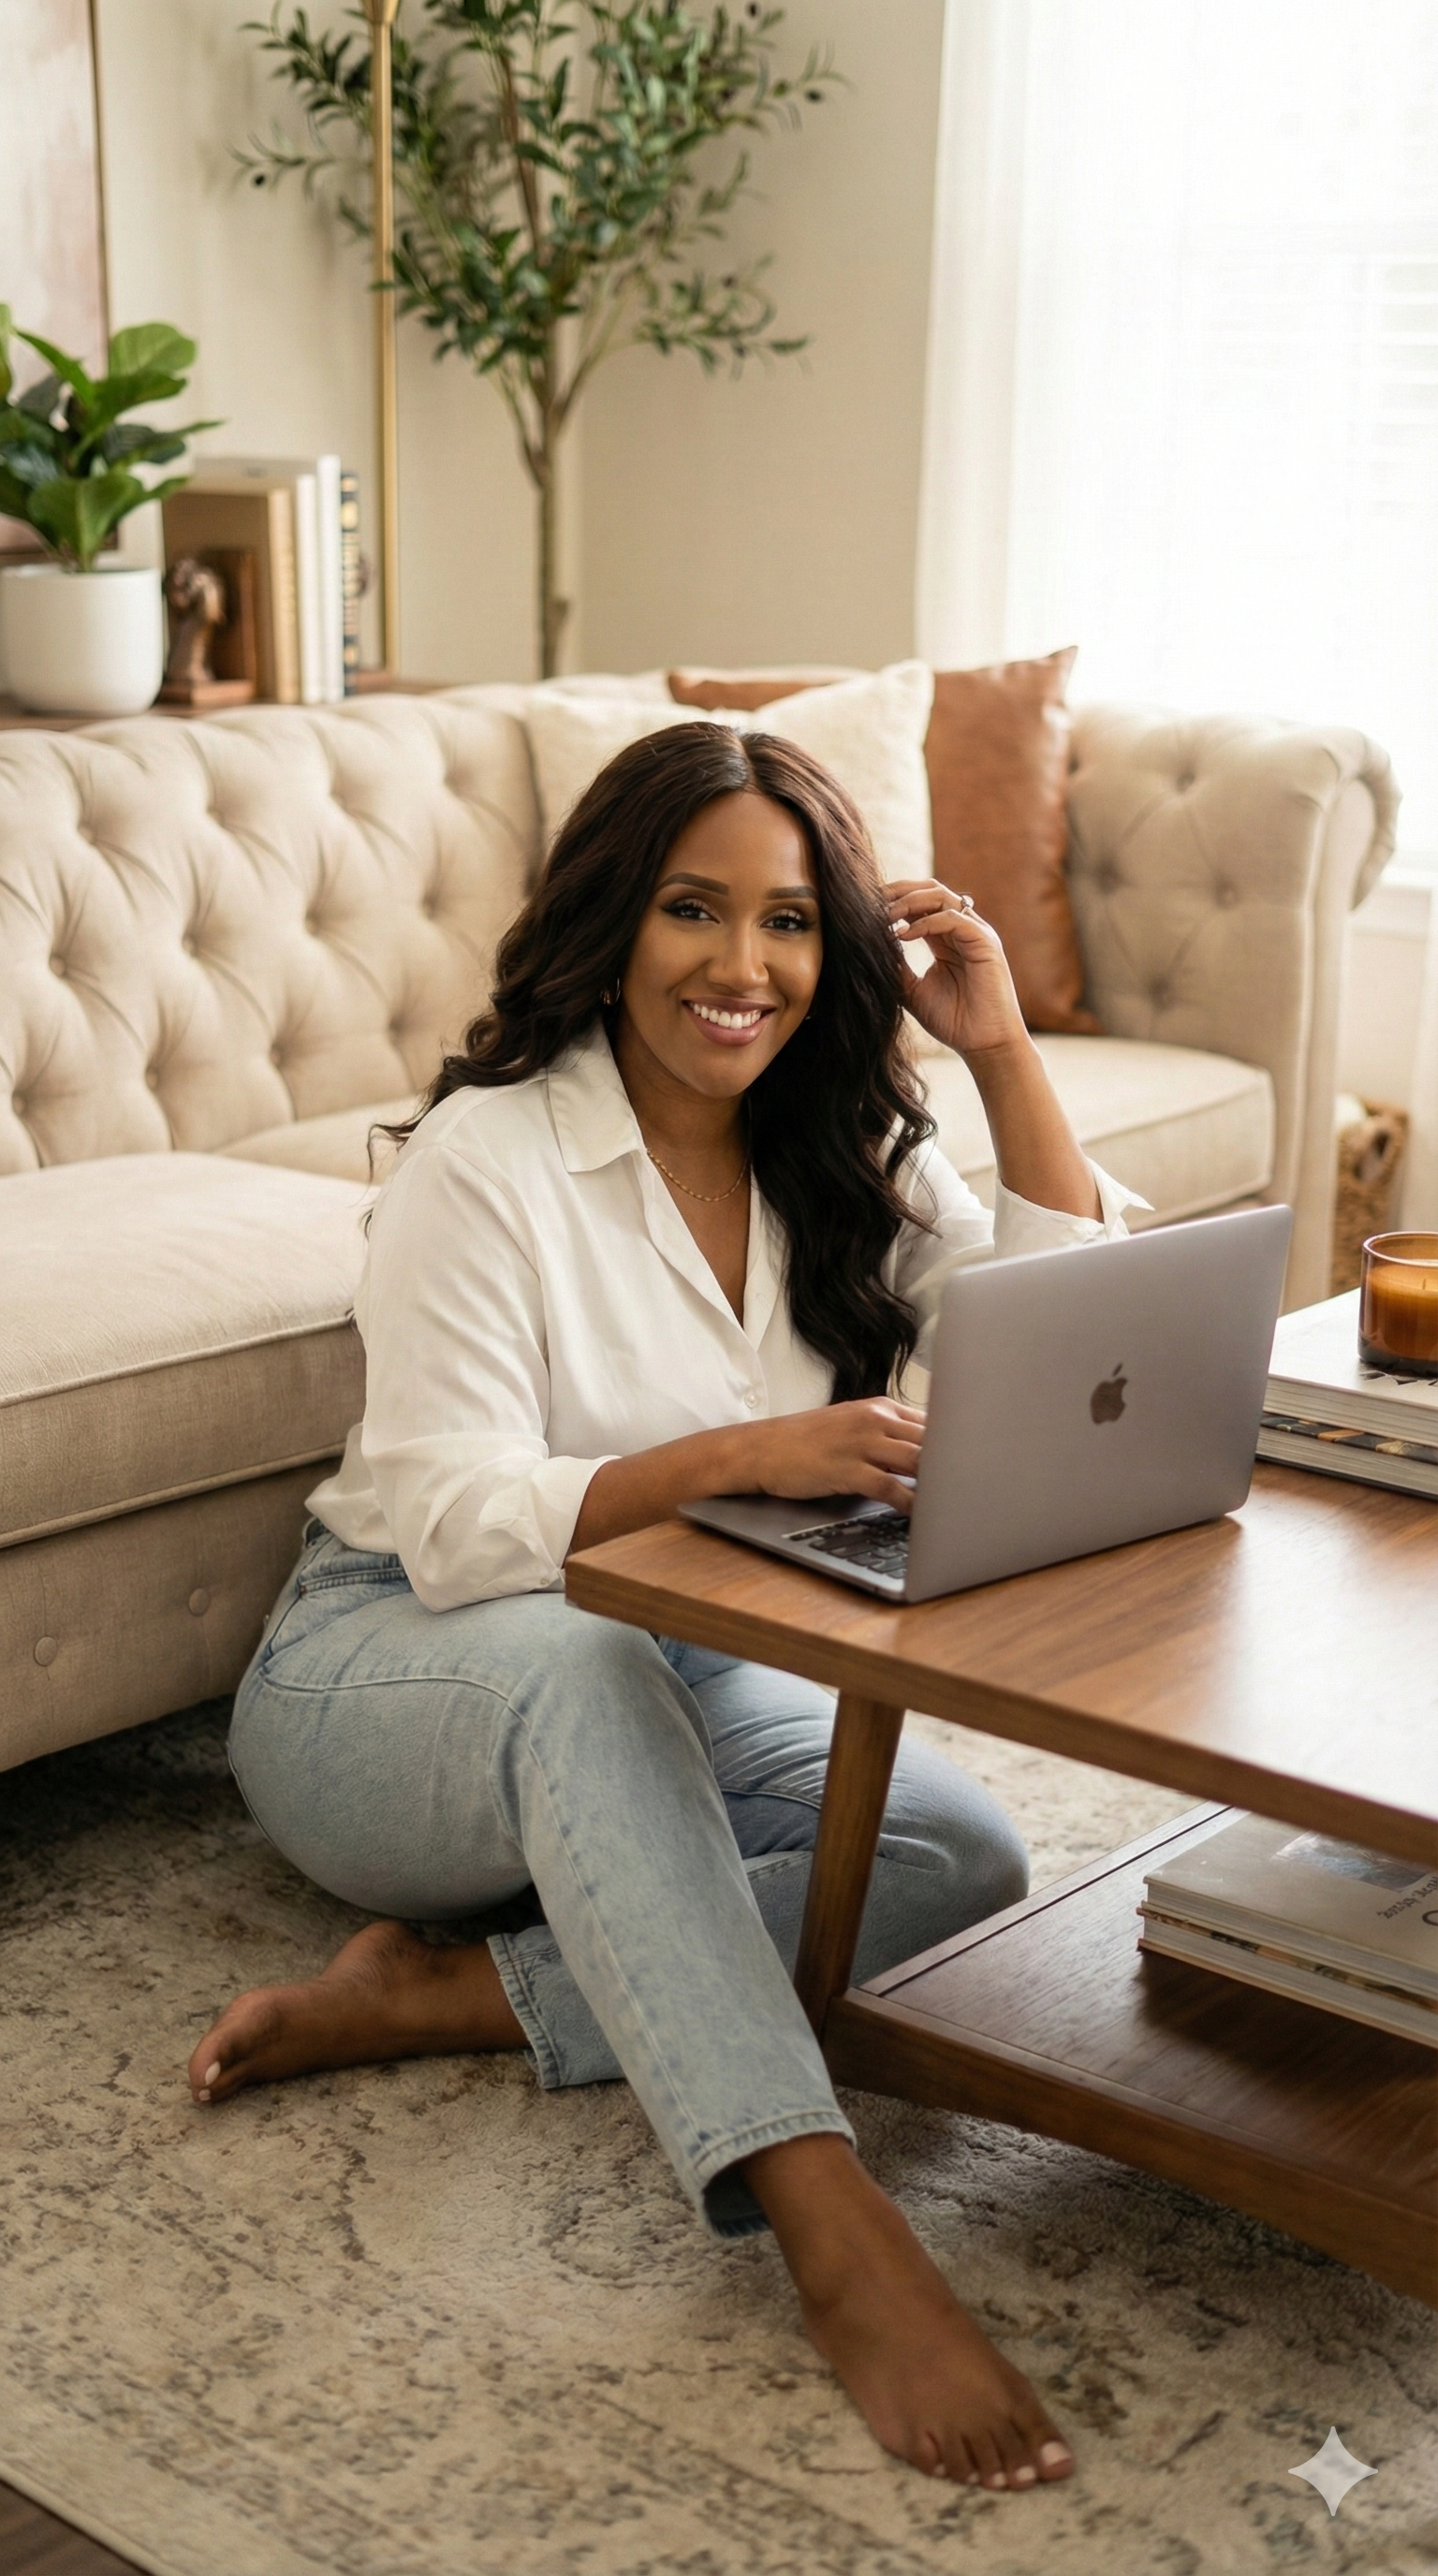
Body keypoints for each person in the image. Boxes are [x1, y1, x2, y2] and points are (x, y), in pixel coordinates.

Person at [190, 723, 1138, 2491]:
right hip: (389, 1668)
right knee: (582, 1668)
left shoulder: (838, 1139)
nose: (743, 967)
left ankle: (441, 1998)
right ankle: (825, 2213)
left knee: (956, 1865)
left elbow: (1064, 1327)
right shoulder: (485, 1161)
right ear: (615, 919)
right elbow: (462, 1521)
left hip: (685, 1659)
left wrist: (999, 1051)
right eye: (695, 911)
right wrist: (748, 1453)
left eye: (787, 923)